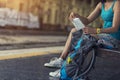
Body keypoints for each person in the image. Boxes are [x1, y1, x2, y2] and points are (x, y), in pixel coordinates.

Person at [44, 0, 120, 77]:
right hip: (102, 36)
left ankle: (67, 70)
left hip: (113, 39)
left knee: (85, 37)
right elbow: (87, 20)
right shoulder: (101, 4)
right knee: (74, 31)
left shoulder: (117, 3)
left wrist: (95, 30)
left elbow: (115, 28)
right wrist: (77, 17)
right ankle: (62, 60)